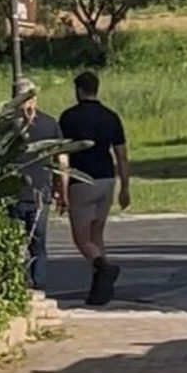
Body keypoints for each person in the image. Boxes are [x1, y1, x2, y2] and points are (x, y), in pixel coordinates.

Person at [59, 71, 130, 306]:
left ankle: (103, 267)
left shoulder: (69, 118)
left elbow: (63, 157)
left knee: (82, 239)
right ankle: (100, 287)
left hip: (82, 180)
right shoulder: (111, 117)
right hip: (106, 178)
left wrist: (62, 189)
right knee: (97, 235)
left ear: (79, 90)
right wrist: (125, 187)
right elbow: (121, 155)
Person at [12, 79, 67, 290]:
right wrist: (62, 191)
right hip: (40, 192)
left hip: (12, 191)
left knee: (14, 243)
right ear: (34, 97)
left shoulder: (5, 124)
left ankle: (16, 284)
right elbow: (61, 160)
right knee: (38, 244)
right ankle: (39, 285)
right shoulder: (49, 123)